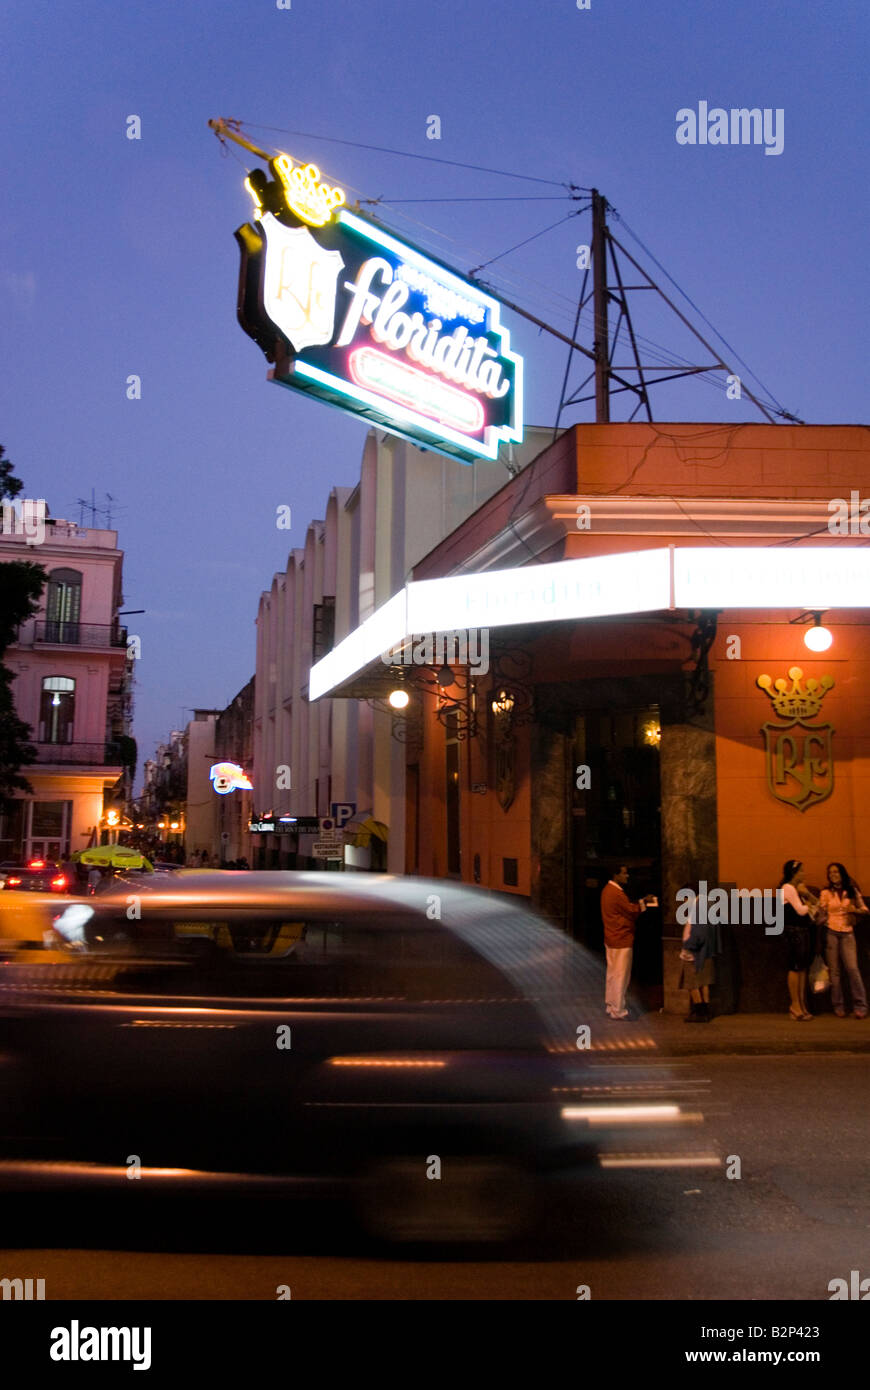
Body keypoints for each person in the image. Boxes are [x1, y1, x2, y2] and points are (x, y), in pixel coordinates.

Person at [816, 862, 868, 1019]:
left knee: (852, 969)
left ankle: (861, 1005)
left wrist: (855, 910)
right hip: (831, 932)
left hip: (847, 932)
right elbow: (821, 911)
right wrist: (819, 916)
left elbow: (865, 909)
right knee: (835, 972)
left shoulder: (851, 890)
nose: (833, 875)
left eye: (836, 872)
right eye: (830, 872)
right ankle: (838, 1005)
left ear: (842, 873)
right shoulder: (826, 892)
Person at [600, 866, 652, 1020]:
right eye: (624, 873)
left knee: (612, 974)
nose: (627, 876)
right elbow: (630, 910)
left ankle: (611, 1005)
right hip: (622, 938)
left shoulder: (606, 891)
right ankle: (618, 1010)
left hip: (610, 937)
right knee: (621, 975)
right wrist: (644, 903)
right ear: (616, 875)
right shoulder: (616, 893)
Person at [779, 859, 818, 1021]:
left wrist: (806, 896)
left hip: (802, 931)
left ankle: (801, 1004)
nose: (804, 873)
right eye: (801, 871)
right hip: (794, 932)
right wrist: (808, 902)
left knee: (802, 968)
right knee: (795, 968)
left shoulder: (797, 889)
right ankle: (795, 1005)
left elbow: (817, 905)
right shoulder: (787, 888)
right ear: (794, 873)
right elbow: (801, 911)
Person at [679, 884, 721, 1022]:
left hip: (694, 951)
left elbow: (697, 931)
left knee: (692, 983)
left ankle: (699, 1011)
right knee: (704, 982)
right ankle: (706, 1011)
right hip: (707, 950)